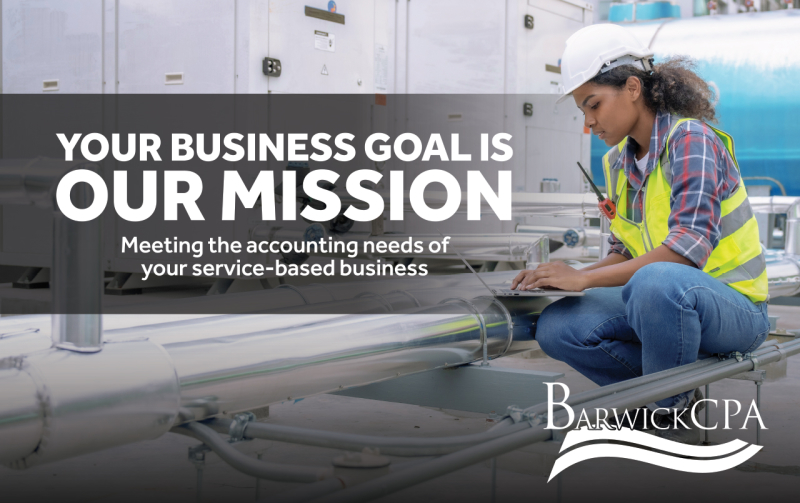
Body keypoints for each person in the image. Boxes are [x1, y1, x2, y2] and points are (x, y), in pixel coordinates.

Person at [511, 24, 769, 444]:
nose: (589, 122)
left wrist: (587, 279)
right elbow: (623, 250)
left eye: (593, 105)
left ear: (633, 87)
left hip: (734, 307)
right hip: (665, 300)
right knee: (557, 324)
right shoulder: (617, 163)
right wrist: (568, 276)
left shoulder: (691, 140)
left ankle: (668, 414)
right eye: (582, 111)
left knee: (656, 282)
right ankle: (659, 395)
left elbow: (686, 251)